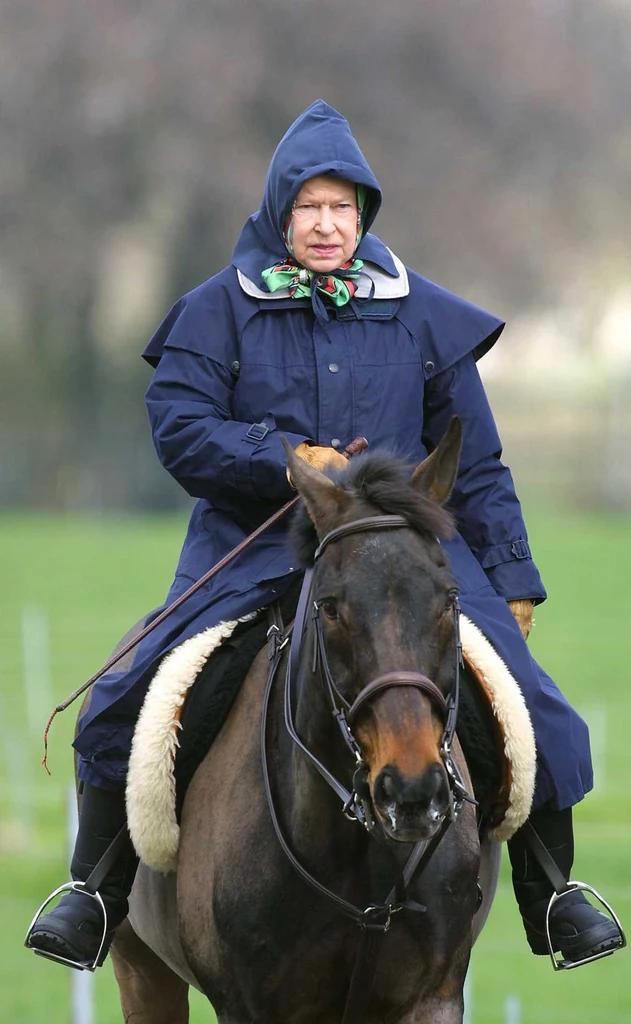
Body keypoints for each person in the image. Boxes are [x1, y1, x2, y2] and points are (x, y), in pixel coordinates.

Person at [28, 99, 623, 970]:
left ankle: (553, 895)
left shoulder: (420, 312)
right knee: (134, 698)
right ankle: (95, 891)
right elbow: (179, 425)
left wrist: (512, 575)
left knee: (532, 710)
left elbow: (480, 463)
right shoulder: (217, 309)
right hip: (256, 542)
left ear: (363, 214)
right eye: (308, 207)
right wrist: (278, 457)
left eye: (341, 207)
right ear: (279, 212)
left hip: (408, 557)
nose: (325, 224)